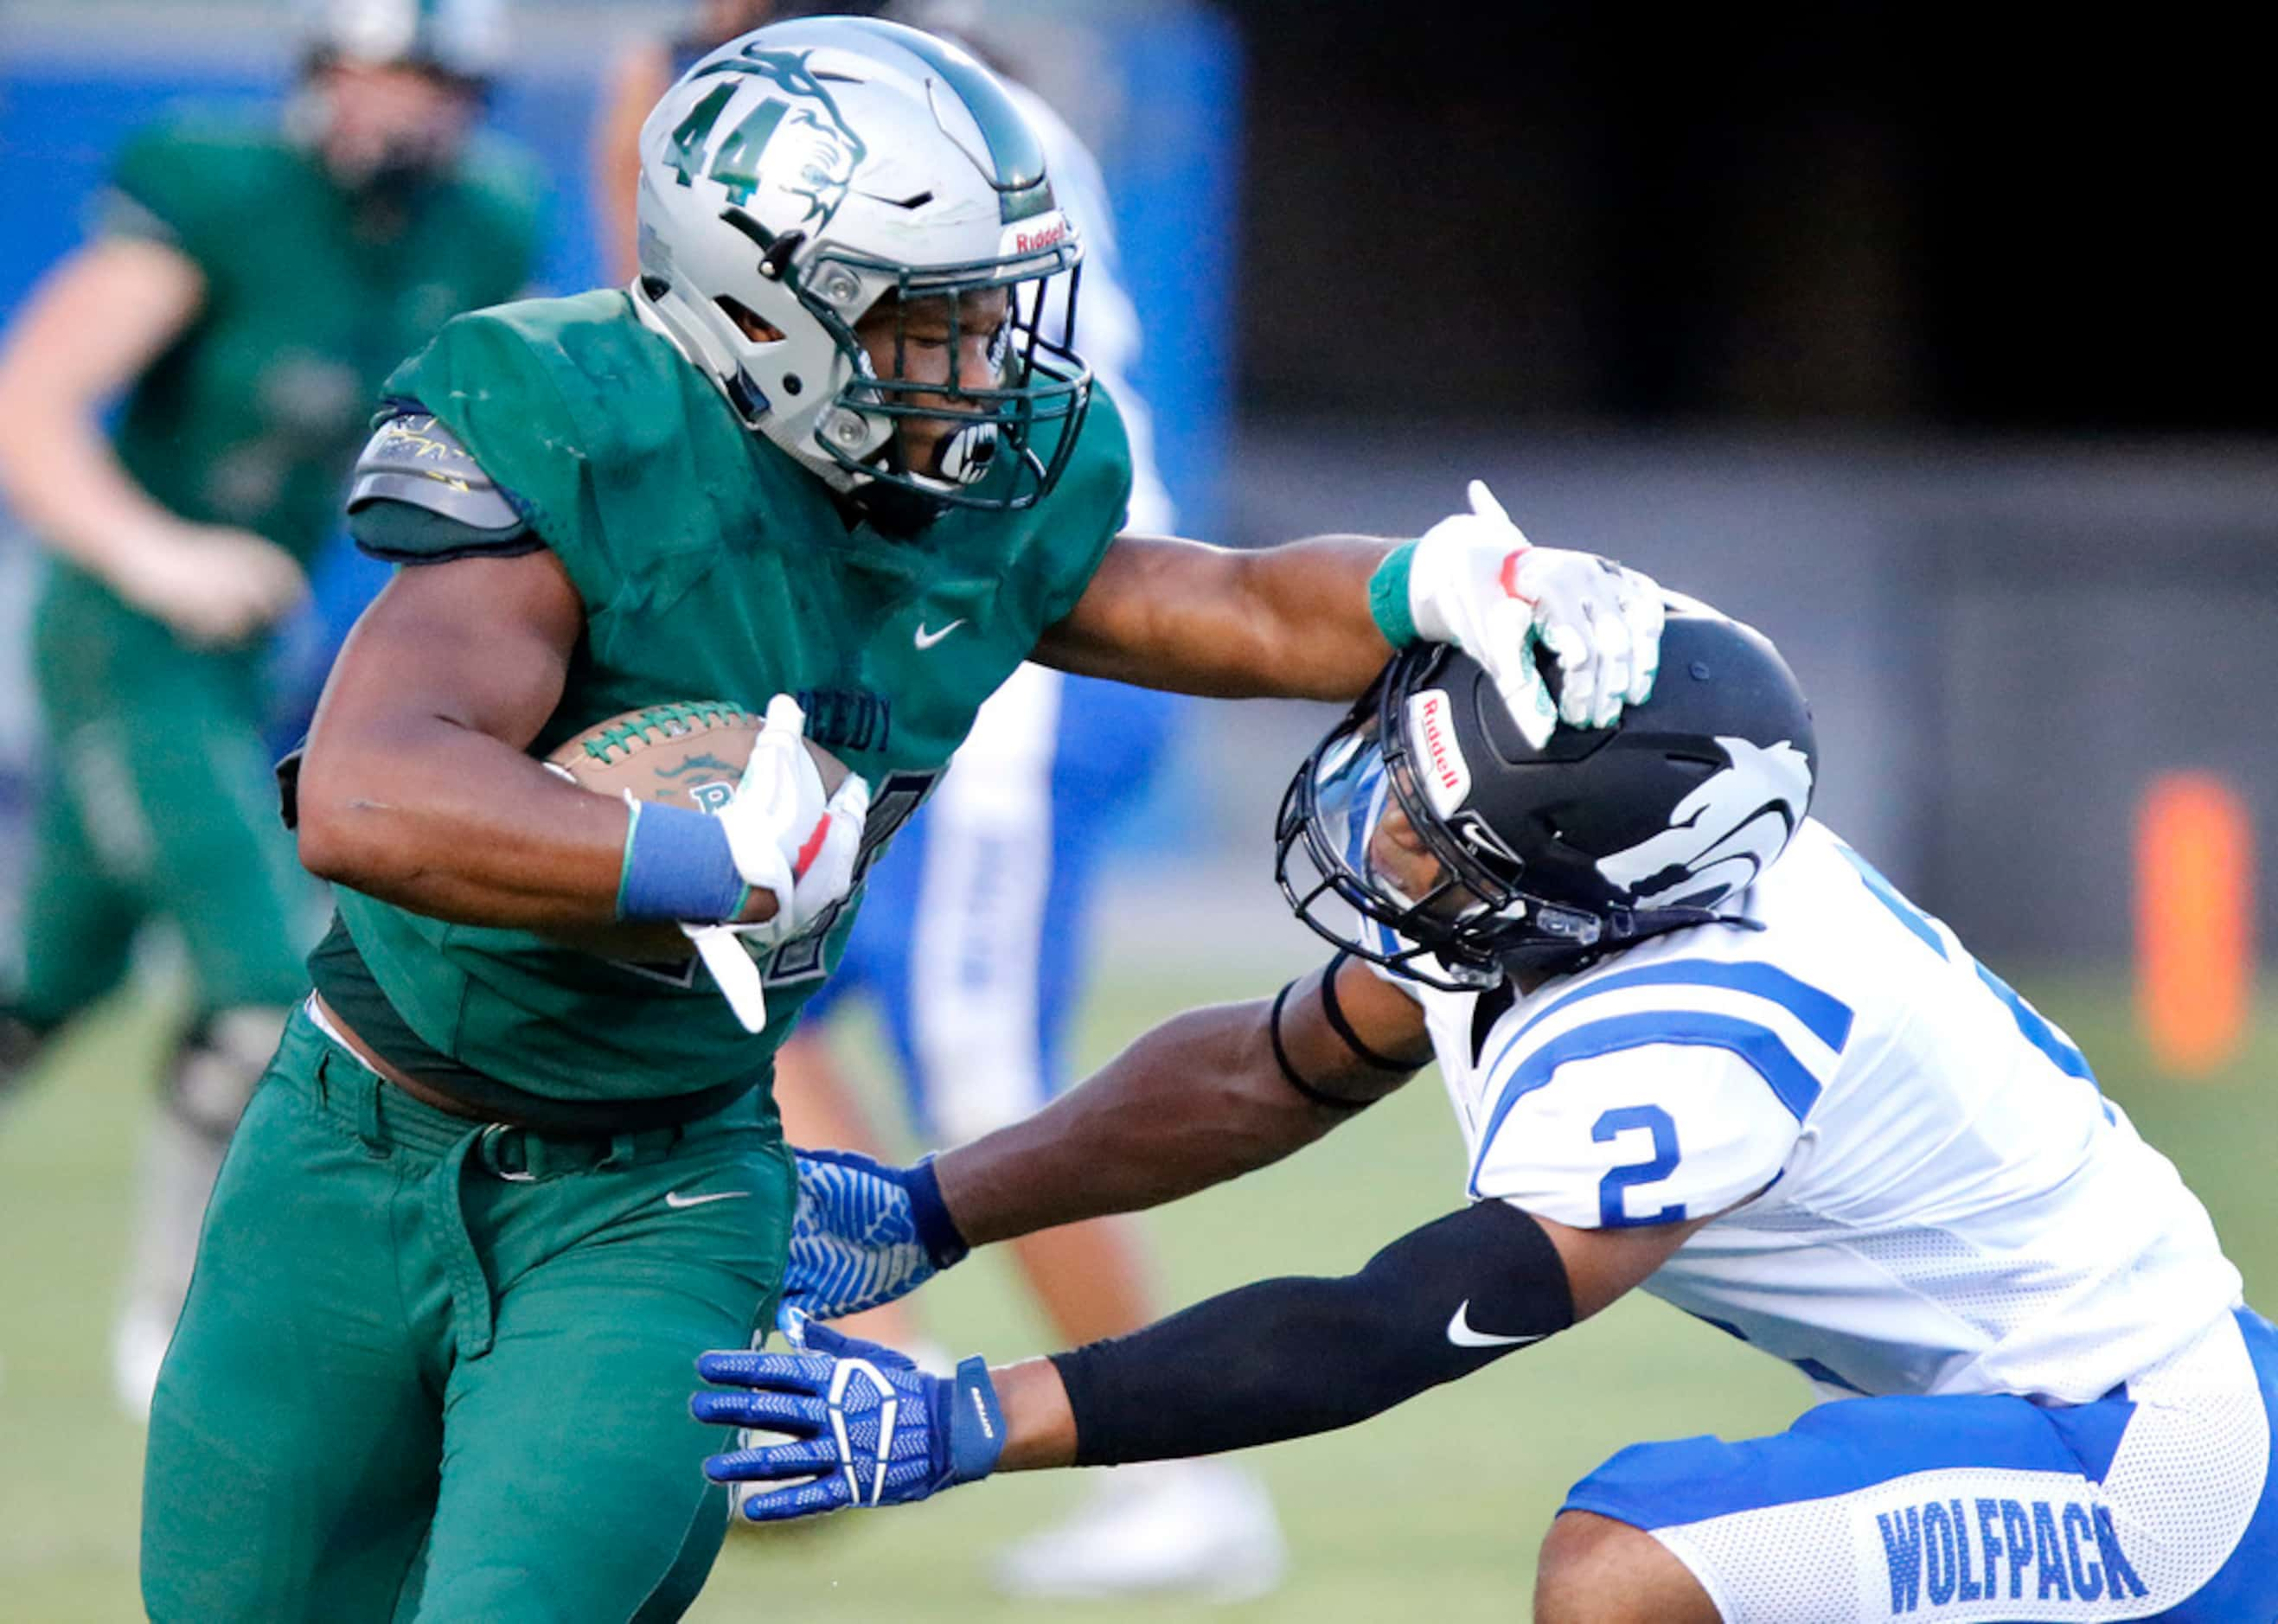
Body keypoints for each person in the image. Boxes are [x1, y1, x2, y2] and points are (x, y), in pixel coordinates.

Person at [135, 16, 1665, 1622]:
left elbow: (1214, 604)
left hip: (655, 1191)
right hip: (345, 1139)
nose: (992, 364)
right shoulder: (573, 410)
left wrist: (1438, 582)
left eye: (999, 312)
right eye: (934, 322)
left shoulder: (994, 481)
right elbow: (373, 785)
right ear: (763, 308)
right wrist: (694, 862)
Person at [700, 604, 2278, 1623]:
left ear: (1595, 894)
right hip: (2004, 1404)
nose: (1383, 834)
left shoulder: (1699, 1031)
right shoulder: (1592, 872)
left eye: (1432, 830)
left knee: (1625, 1568)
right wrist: (928, 1206)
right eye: (1403, 782)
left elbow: (1390, 1324)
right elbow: (1272, 1063)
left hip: (2142, 1452)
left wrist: (978, 1414)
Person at [597, 1, 1280, 1597]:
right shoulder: (901, 81)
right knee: (748, 958)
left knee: (976, 1068)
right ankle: (849, 1333)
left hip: (1011, 639)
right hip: (903, 622)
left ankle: (1174, 1462)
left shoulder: (892, 111)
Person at [0, 0, 545, 1419]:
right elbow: (31, 403)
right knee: (269, 977)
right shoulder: (221, 188)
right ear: (317, 79)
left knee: (48, 978)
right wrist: (154, 552)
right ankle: (180, 1325)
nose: (403, 109)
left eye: (435, 82)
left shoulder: (475, 226)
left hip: (258, 651)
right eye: (378, 74)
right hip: (126, 634)